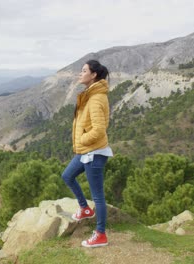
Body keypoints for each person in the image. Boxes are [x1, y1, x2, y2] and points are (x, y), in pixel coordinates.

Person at [61, 59, 113, 248]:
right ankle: (84, 208)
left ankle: (100, 234)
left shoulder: (97, 98)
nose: (80, 74)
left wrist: (81, 140)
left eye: (83, 71)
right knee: (67, 176)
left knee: (98, 196)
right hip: (85, 151)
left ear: (93, 75)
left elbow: (100, 129)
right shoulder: (90, 95)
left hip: (94, 153)